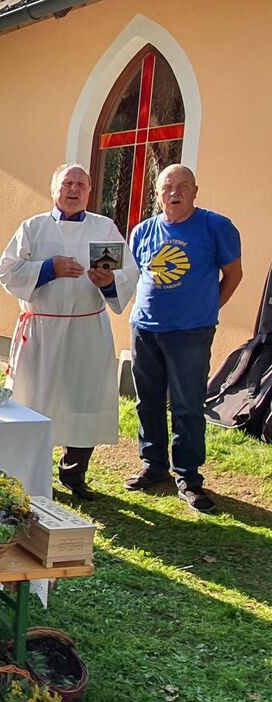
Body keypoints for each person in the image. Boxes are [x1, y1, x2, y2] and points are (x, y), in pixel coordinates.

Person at [0, 164, 139, 499]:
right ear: (54, 189)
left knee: (82, 399)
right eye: (67, 184)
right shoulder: (33, 227)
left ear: (89, 191)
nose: (73, 190)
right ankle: (31, 473)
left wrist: (109, 282)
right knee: (35, 399)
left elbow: (129, 272)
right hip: (42, 328)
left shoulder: (104, 228)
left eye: (80, 184)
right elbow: (6, 271)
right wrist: (48, 268)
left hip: (86, 328)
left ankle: (74, 473)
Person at [125, 164, 242, 512]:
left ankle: (188, 476)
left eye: (182, 186)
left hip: (191, 332)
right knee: (147, 401)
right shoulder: (142, 231)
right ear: (157, 195)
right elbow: (132, 275)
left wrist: (207, 309)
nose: (174, 193)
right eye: (166, 187)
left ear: (195, 191)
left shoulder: (216, 226)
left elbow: (233, 274)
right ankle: (154, 465)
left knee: (188, 404)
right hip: (145, 329)